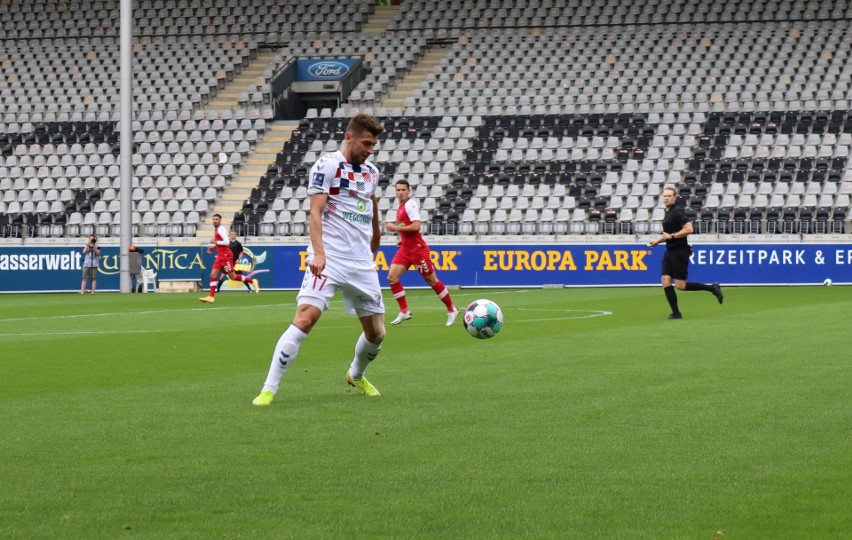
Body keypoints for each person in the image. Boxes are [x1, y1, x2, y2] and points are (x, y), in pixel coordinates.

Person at [253, 113, 386, 405]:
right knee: (305, 318)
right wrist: (320, 253)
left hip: (361, 261)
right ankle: (268, 388)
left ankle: (356, 374)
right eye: (366, 143)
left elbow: (371, 202)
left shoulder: (372, 172)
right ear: (349, 137)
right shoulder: (327, 165)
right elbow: (315, 213)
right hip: (330, 258)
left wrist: (376, 235)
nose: (370, 149)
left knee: (377, 334)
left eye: (374, 145)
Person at [385, 179, 459, 326]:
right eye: (398, 190)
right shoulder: (400, 207)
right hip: (406, 249)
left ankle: (452, 309)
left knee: (432, 281)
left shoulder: (410, 205)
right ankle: (404, 311)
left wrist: (395, 228)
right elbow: (406, 226)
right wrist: (402, 239)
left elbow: (416, 227)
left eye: (403, 190)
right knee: (392, 277)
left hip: (418, 250)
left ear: (408, 191)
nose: (400, 193)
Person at [648, 186, 724, 319]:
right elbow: (669, 234)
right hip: (670, 250)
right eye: (664, 196)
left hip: (679, 251)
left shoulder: (677, 212)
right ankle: (676, 313)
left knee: (680, 286)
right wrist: (658, 241)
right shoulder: (668, 211)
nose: (666, 198)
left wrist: (671, 236)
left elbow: (689, 229)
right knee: (665, 280)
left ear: (674, 198)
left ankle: (712, 288)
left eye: (669, 196)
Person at [198, 214, 254, 303]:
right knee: (213, 275)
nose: (215, 221)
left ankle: (251, 281)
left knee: (233, 276)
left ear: (220, 220)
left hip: (226, 256)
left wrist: (215, 242)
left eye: (216, 219)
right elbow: (221, 243)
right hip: (220, 256)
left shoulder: (221, 229)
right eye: (213, 219)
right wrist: (214, 247)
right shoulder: (216, 230)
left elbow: (226, 241)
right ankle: (211, 297)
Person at [216, 229, 256, 293]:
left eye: (233, 234)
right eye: (231, 234)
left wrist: (238, 259)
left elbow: (241, 252)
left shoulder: (238, 244)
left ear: (236, 235)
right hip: (228, 262)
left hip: (235, 262)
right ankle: (217, 289)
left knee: (241, 276)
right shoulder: (227, 243)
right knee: (222, 275)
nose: (232, 235)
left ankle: (249, 288)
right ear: (230, 235)